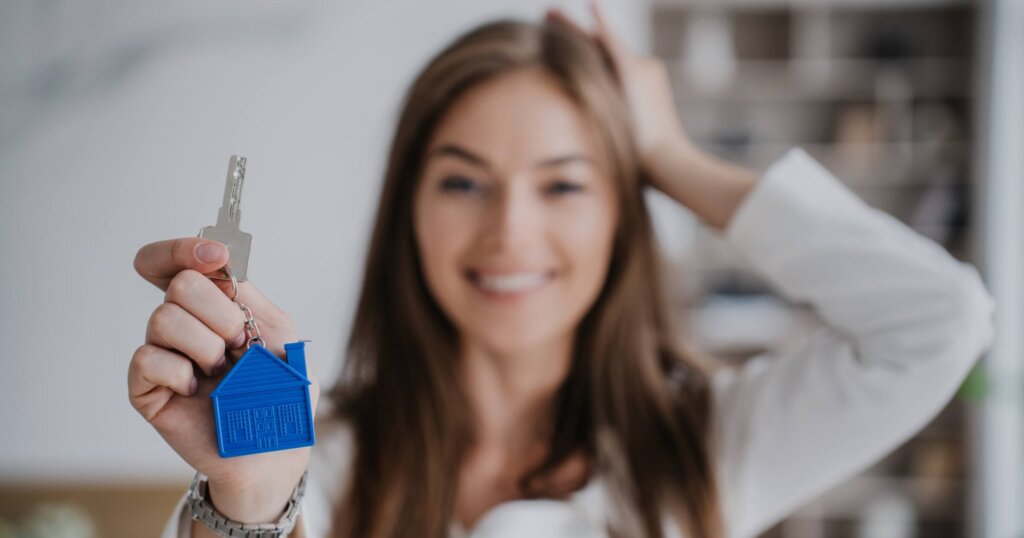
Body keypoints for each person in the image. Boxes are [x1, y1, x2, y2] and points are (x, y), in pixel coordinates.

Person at [130, 4, 994, 538]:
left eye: (565, 183)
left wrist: (667, 152)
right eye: (464, 181)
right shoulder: (323, 455)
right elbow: (262, 498)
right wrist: (247, 500)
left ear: (624, 211)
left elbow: (942, 322)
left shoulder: (708, 447)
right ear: (408, 210)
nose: (511, 231)